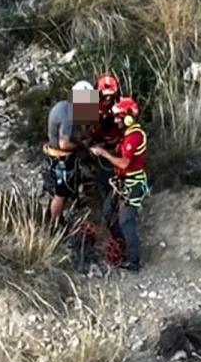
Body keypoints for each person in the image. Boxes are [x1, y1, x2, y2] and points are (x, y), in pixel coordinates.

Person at [89, 96, 149, 271]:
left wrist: (104, 154)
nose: (115, 120)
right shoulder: (127, 135)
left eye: (118, 117)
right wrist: (103, 149)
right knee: (108, 211)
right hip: (123, 182)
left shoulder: (135, 137)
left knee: (126, 220)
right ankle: (120, 244)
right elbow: (117, 152)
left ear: (128, 118)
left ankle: (133, 260)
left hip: (133, 183)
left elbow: (124, 163)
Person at [43, 80, 98, 227]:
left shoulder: (66, 106)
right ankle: (54, 226)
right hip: (60, 158)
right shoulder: (68, 117)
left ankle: (55, 217)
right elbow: (64, 144)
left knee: (59, 191)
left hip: (55, 154)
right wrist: (82, 146)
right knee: (61, 194)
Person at [89, 73, 124, 228]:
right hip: (99, 149)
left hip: (116, 147)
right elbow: (80, 130)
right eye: (105, 95)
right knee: (105, 182)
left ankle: (113, 215)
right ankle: (108, 216)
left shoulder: (120, 102)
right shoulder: (88, 102)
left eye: (112, 95)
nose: (108, 99)